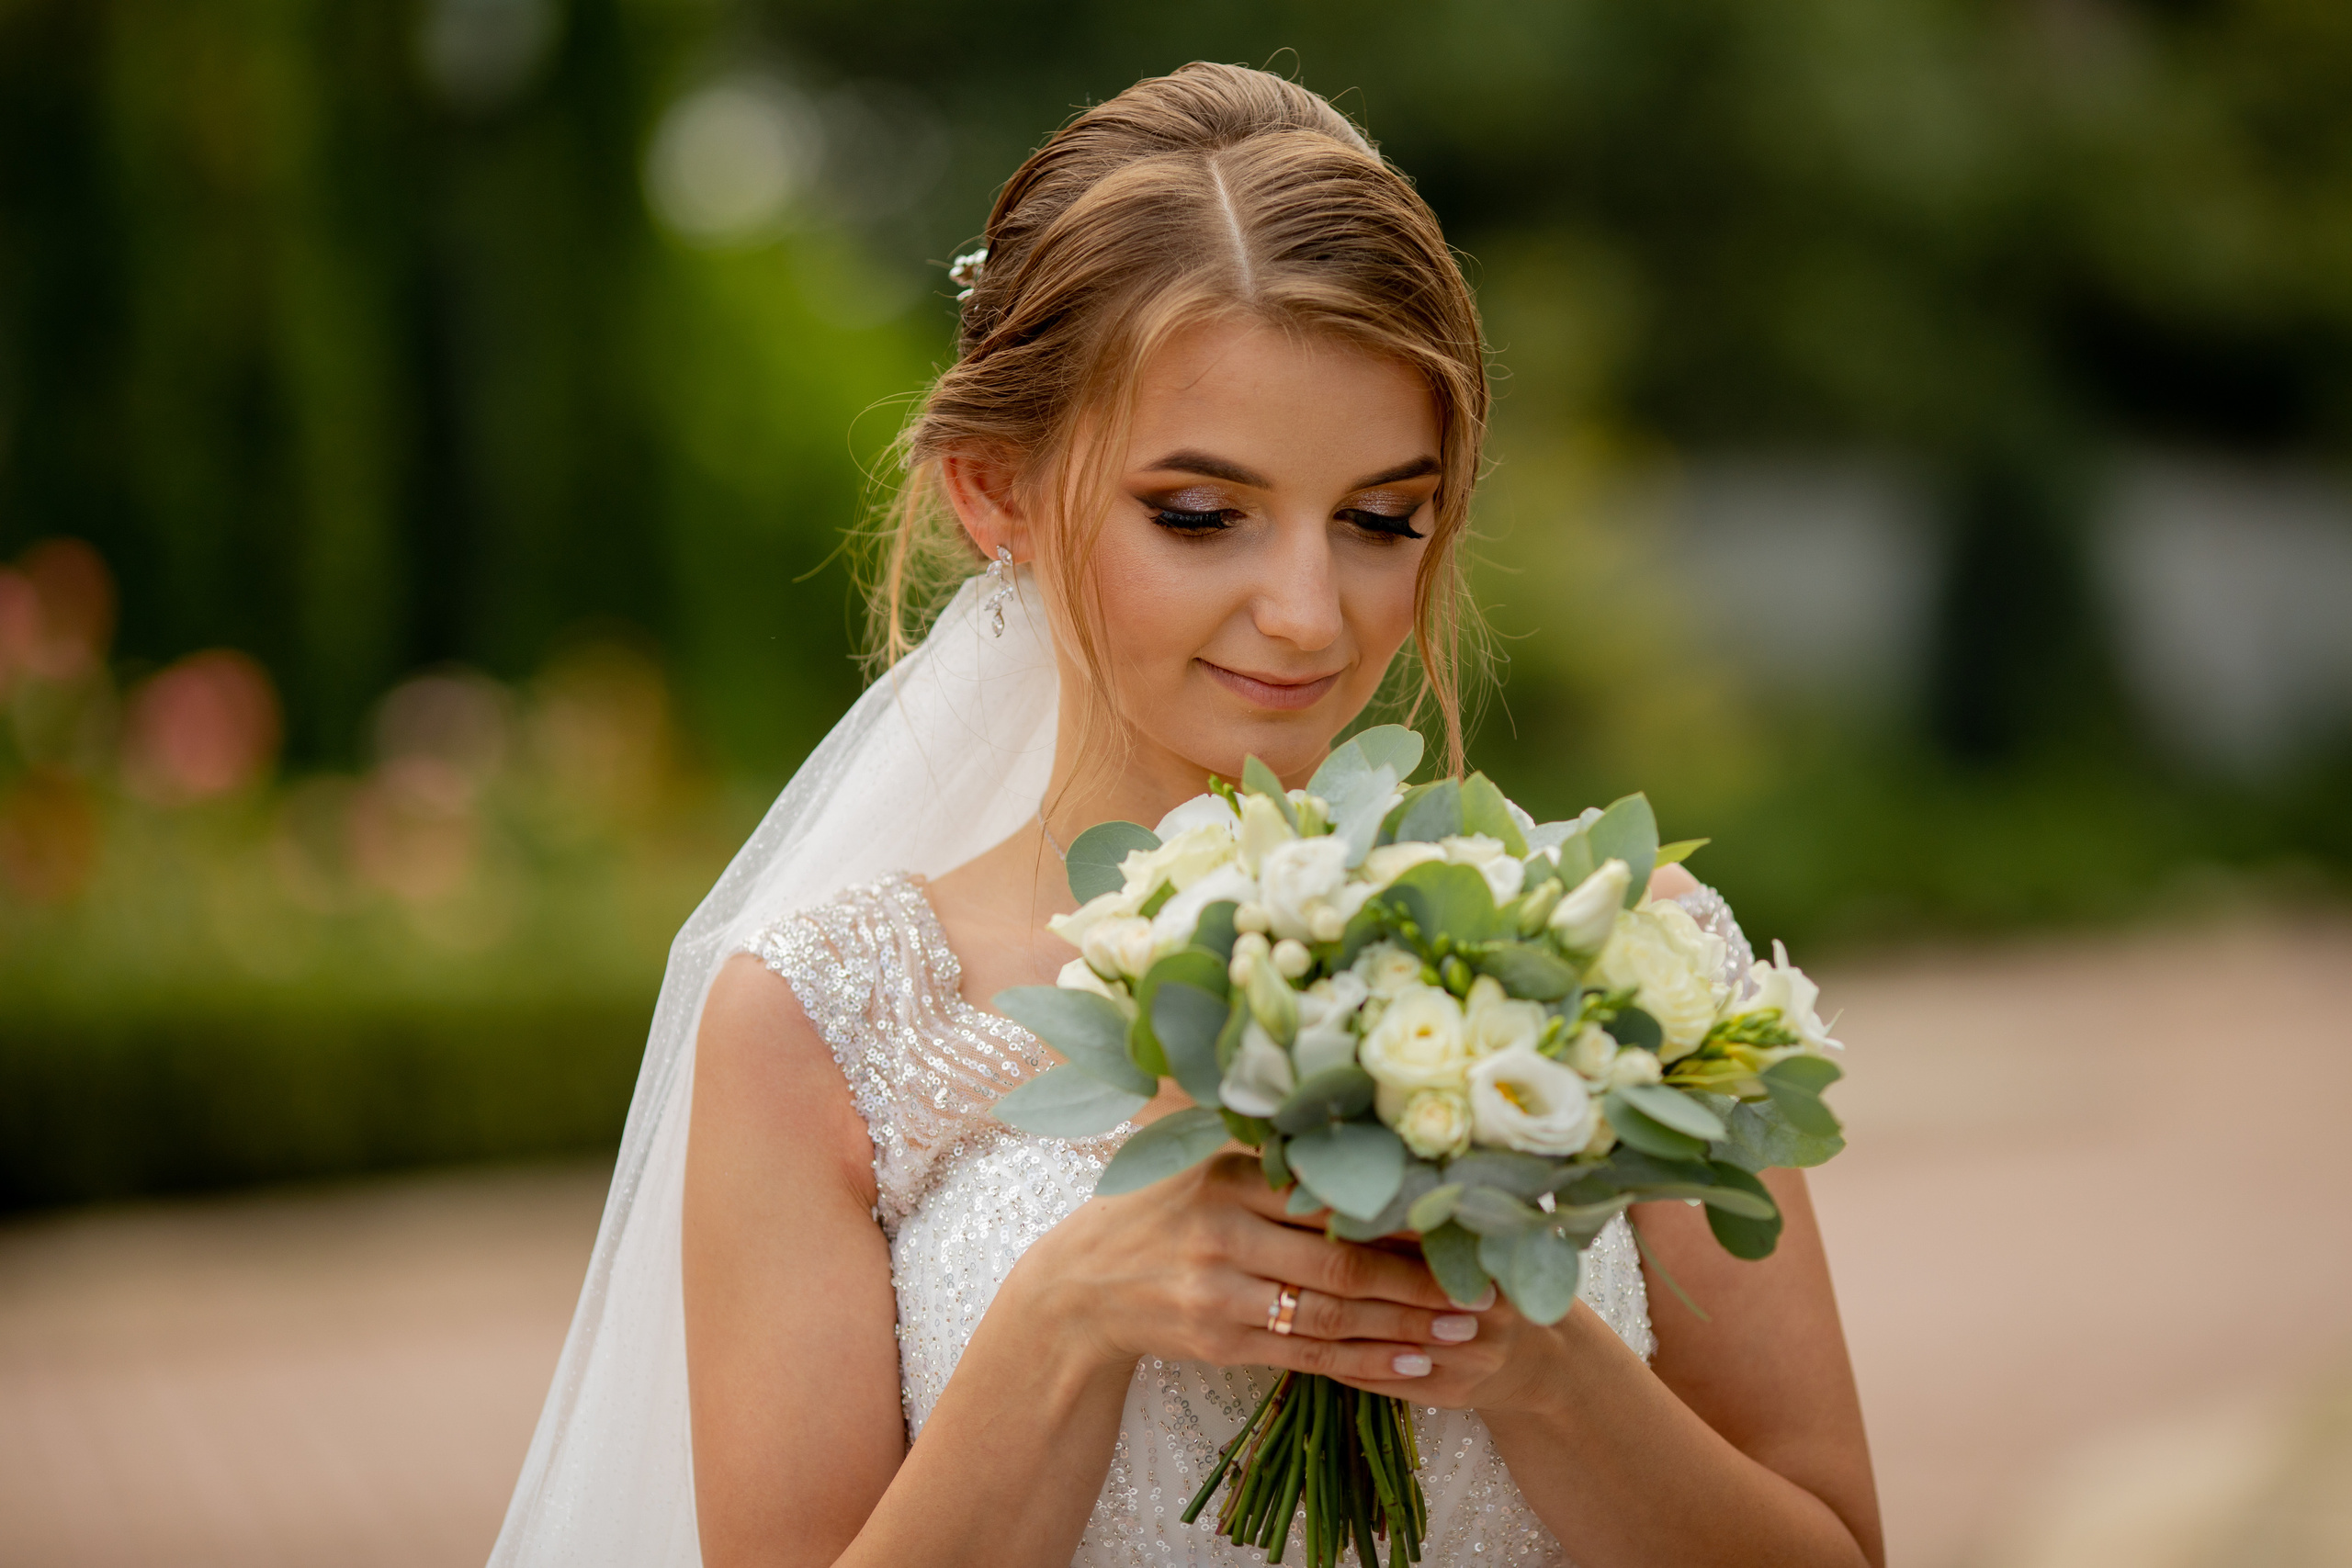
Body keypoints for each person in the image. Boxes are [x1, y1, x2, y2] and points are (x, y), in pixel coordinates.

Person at [489, 62, 1882, 1568]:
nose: (1307, 614)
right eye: (1202, 516)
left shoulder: (1623, 959)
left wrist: (1541, 1368)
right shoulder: (827, 1025)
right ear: (993, 491)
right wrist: (1068, 1316)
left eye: (1382, 518)